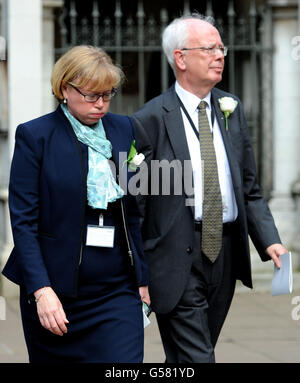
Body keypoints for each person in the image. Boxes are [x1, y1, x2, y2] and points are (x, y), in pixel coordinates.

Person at [132, 13, 287, 363]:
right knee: (198, 357)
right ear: (181, 58)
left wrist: (270, 240)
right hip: (174, 256)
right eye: (210, 48)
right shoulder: (150, 119)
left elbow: (248, 186)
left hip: (226, 252)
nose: (220, 55)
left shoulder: (231, 109)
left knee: (195, 353)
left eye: (222, 48)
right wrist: (137, 272)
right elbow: (136, 201)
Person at [2, 45, 150, 363]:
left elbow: (134, 210)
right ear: (65, 89)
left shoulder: (124, 130)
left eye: (107, 95)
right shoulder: (35, 136)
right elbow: (24, 224)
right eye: (91, 95)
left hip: (116, 291)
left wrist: (142, 276)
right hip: (57, 294)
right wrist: (41, 290)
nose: (101, 104)